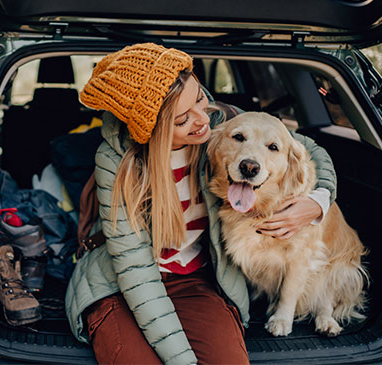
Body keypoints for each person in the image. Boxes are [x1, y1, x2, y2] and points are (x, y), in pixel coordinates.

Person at [65, 43, 336, 364]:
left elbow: (309, 149)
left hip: (197, 279)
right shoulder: (116, 161)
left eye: (198, 98)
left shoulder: (224, 125)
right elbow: (135, 271)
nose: (201, 119)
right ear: (151, 129)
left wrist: (318, 203)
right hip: (123, 284)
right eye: (182, 120)